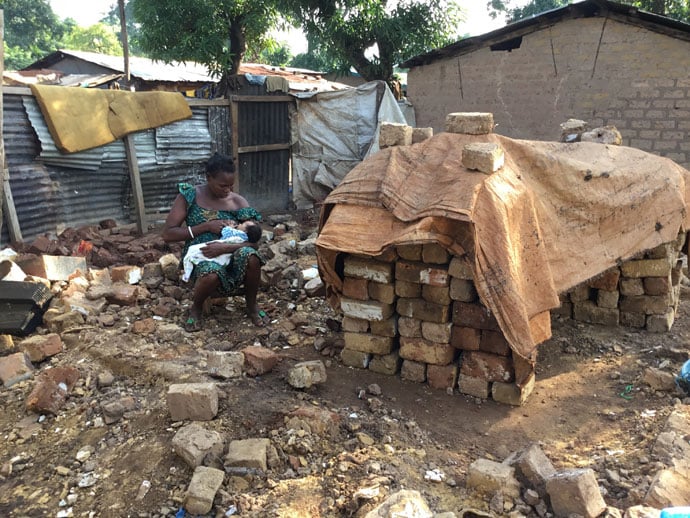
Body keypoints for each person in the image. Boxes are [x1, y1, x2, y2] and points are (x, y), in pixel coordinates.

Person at [162, 154, 266, 331]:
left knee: (252, 257)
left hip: (233, 255)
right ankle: (195, 309)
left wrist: (224, 247)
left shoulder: (237, 202)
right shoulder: (190, 197)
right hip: (202, 256)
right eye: (222, 185)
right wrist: (205, 227)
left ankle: (252, 306)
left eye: (231, 185)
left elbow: (254, 243)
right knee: (211, 273)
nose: (227, 190)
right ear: (208, 178)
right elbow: (168, 234)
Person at [181, 220, 262, 283]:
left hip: (221, 253)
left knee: (193, 250)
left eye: (242, 224)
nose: (239, 224)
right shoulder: (246, 236)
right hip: (218, 255)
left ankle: (187, 271)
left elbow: (226, 232)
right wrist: (207, 226)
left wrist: (229, 229)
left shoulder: (238, 233)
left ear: (246, 231)